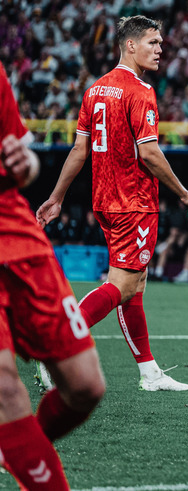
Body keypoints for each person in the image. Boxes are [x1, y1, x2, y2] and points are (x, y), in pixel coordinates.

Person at [36, 15, 188, 392]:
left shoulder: (96, 89)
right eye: (153, 42)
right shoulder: (140, 91)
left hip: (106, 201)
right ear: (131, 45)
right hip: (134, 203)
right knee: (122, 286)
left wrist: (56, 197)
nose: (160, 49)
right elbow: (150, 154)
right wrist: (183, 192)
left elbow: (80, 149)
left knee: (135, 285)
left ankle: (149, 373)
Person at [0, 66, 105, 491]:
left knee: (85, 386)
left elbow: (23, 165)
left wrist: (26, 163)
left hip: (17, 236)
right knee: (6, 389)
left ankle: (16, 446)